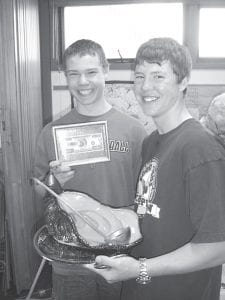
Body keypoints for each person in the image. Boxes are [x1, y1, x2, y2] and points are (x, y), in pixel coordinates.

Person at [86, 37, 225, 300]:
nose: (145, 86)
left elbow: (218, 246)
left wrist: (139, 268)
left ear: (183, 81)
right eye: (139, 76)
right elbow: (151, 211)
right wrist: (100, 217)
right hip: (141, 288)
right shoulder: (152, 142)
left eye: (158, 75)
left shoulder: (200, 149)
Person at [33, 39, 147, 300]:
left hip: (120, 254)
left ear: (106, 70)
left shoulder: (133, 130)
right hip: (71, 260)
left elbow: (146, 195)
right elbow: (40, 191)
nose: (83, 82)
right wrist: (54, 181)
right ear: (66, 77)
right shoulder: (50, 133)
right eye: (74, 74)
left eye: (91, 72)